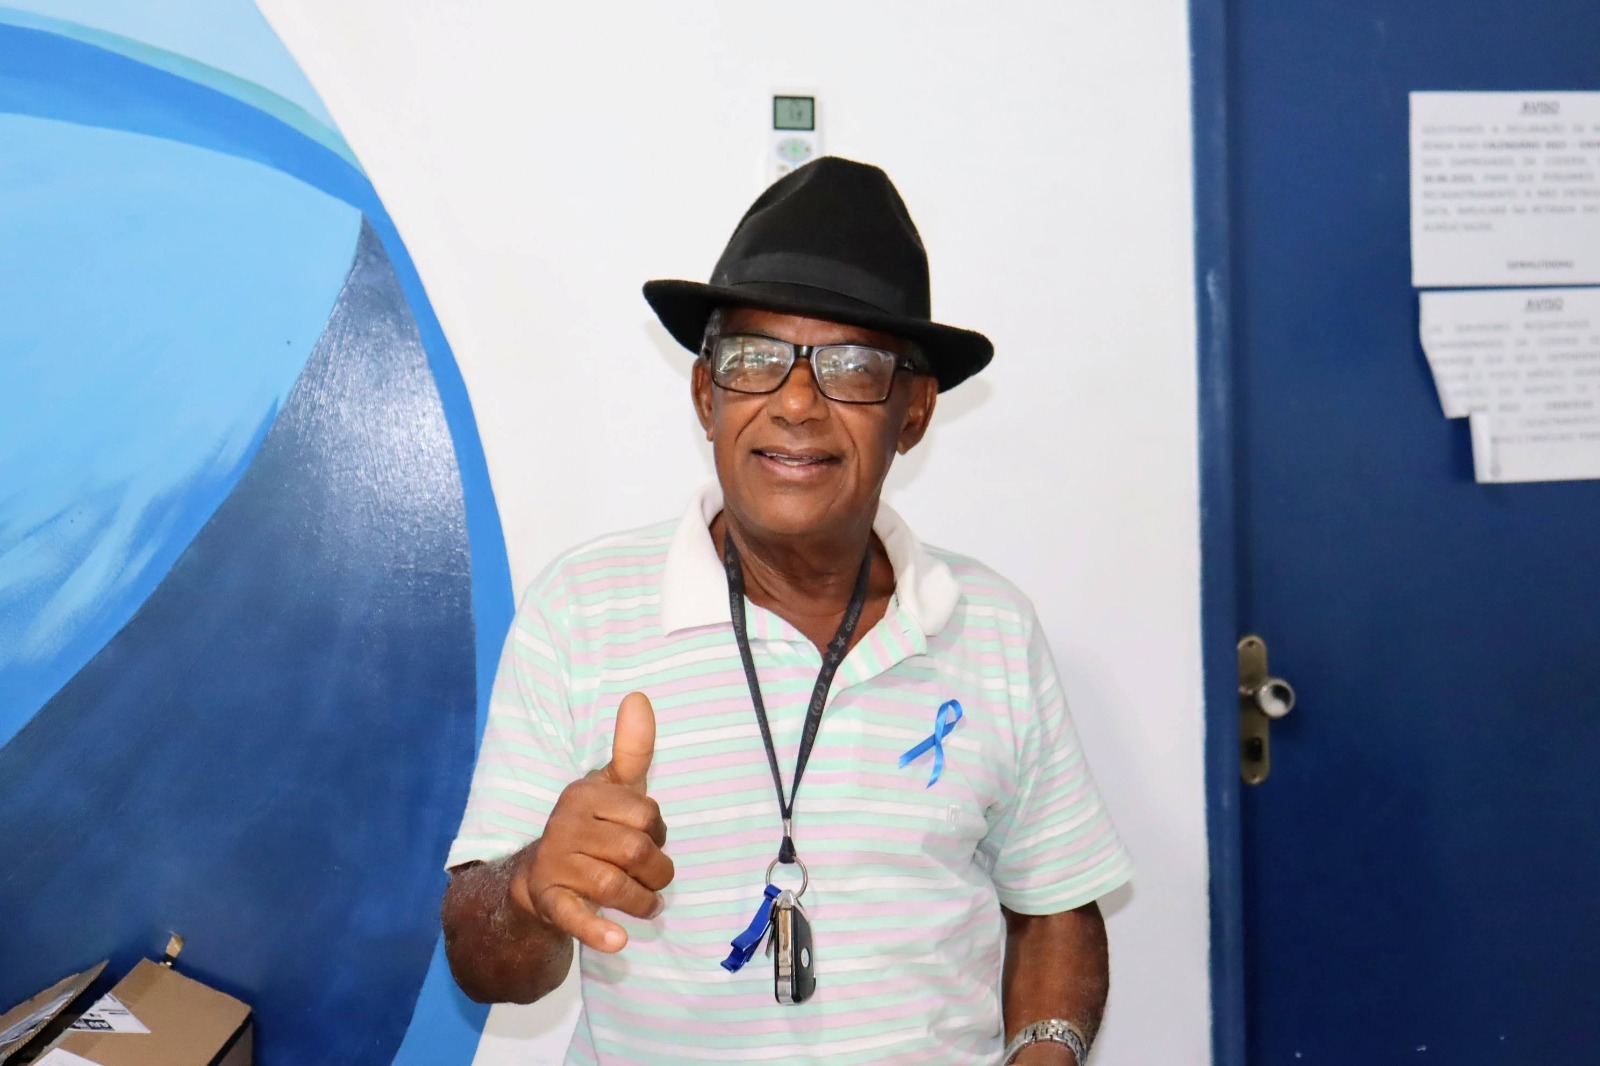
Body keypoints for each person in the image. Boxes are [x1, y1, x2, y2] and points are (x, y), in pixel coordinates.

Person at [440, 157, 1132, 1065]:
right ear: (707, 395)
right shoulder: (581, 610)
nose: (797, 402)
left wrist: (1046, 1049)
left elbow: (1054, 905)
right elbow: (485, 961)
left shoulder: (991, 626)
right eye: (756, 360)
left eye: (852, 367)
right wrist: (533, 884)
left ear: (914, 412)